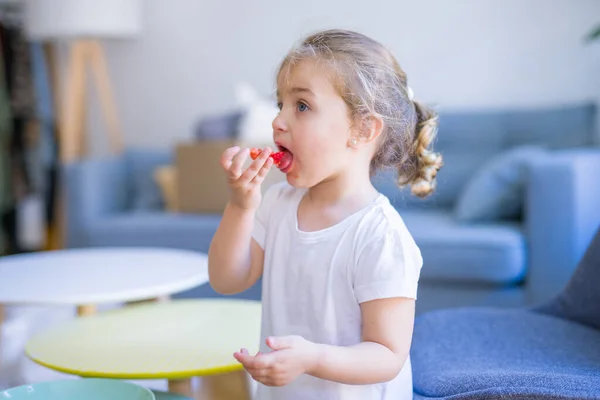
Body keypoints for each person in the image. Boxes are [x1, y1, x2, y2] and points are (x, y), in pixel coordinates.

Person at [208, 28, 443, 400]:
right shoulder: (277, 204)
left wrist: (312, 358)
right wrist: (240, 205)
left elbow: (387, 355)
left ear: (363, 128)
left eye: (301, 106)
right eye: (280, 104)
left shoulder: (379, 236)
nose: (278, 122)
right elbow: (226, 279)